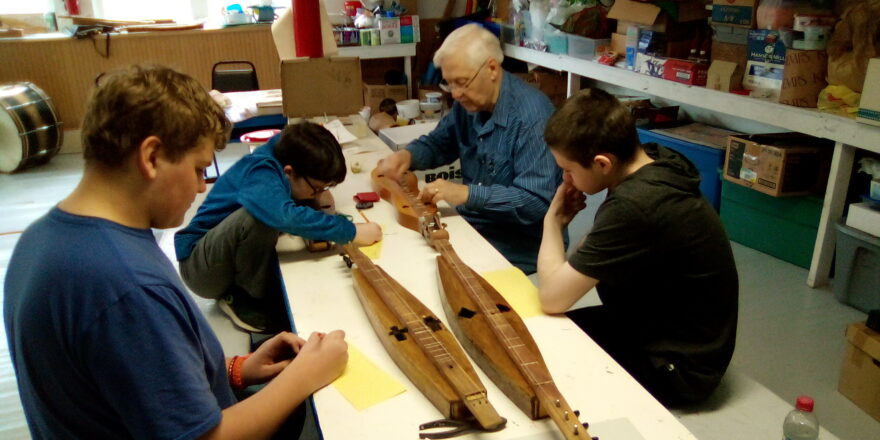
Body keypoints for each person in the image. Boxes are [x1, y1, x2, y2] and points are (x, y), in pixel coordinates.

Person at [3, 65, 348, 439]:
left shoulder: (41, 240)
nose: (202, 188)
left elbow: (123, 378)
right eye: (199, 169)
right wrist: (302, 378)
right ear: (152, 157)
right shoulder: (126, 286)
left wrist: (231, 369)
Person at [537, 88, 738, 406]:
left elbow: (551, 297)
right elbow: (590, 252)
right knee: (539, 331)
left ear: (603, 163)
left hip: (680, 369)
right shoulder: (652, 161)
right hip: (656, 326)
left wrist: (552, 222)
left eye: (569, 169)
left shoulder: (637, 204)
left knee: (543, 349)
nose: (565, 179)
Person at [374, 23, 561, 274]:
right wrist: (407, 156)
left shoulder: (533, 118)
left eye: (462, 82)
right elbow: (441, 142)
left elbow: (535, 202)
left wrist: (466, 194)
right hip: (470, 228)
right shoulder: (470, 102)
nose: (456, 94)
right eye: (449, 84)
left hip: (517, 247)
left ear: (492, 68)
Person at [175, 122, 382, 333]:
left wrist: (313, 198)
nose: (319, 193)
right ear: (290, 172)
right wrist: (351, 231)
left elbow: (294, 197)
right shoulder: (261, 171)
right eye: (317, 188)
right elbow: (285, 217)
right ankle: (244, 299)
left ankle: (251, 287)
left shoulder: (285, 154)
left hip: (220, 254)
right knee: (259, 217)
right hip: (200, 270)